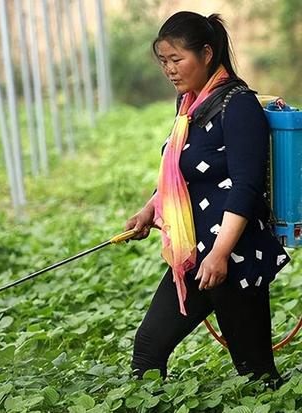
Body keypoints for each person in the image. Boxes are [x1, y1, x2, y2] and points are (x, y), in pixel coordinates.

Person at [124, 11, 291, 385]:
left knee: (256, 373)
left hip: (232, 257)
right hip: (193, 254)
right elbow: (180, 170)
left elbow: (247, 187)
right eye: (163, 61)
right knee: (149, 348)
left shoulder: (238, 105)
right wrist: (149, 209)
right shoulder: (188, 106)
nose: (169, 69)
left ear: (207, 53)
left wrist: (219, 253)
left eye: (176, 59)